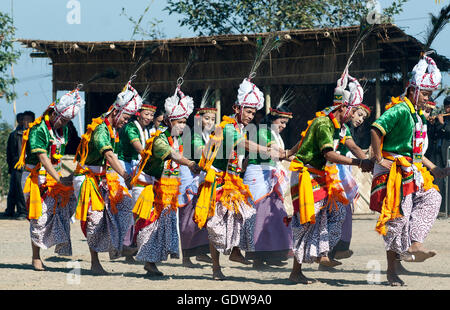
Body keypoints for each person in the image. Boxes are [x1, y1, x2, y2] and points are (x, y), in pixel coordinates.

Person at [284, 69, 372, 284]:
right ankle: (296, 270)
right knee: (307, 221)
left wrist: (371, 160)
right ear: (343, 107)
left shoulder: (341, 127)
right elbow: (329, 153)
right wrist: (359, 162)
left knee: (337, 212)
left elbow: (354, 147)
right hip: (306, 175)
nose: (354, 116)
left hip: (324, 176)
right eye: (353, 111)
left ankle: (323, 254)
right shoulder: (324, 123)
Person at [192, 77, 285, 280]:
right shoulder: (228, 127)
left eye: (253, 112)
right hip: (216, 180)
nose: (251, 116)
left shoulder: (239, 127)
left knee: (244, 215)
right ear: (237, 108)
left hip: (233, 180)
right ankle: (216, 267)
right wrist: (268, 150)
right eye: (248, 111)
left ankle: (234, 251)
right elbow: (244, 145)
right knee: (215, 223)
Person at [369, 53, 448, 286]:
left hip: (409, 170)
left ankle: (414, 243)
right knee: (397, 218)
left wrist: (435, 169)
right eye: (425, 94)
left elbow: (416, 153)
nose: (427, 98)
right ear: (412, 90)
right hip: (392, 171)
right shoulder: (401, 109)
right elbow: (376, 128)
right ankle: (392, 272)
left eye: (429, 95)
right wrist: (377, 157)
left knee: (433, 197)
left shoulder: (416, 115)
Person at [130, 81, 200, 277]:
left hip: (167, 190)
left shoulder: (178, 140)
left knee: (162, 227)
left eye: (185, 122)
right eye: (179, 122)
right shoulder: (160, 139)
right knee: (150, 226)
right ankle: (146, 261)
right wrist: (191, 164)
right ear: (169, 121)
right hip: (149, 189)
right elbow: (174, 157)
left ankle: (151, 263)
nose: (183, 126)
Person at [73, 79, 141, 275]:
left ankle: (118, 245)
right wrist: (125, 175)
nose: (126, 122)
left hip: (103, 177)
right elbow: (109, 155)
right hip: (86, 178)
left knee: (126, 204)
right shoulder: (101, 129)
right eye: (125, 118)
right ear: (115, 112)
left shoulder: (113, 130)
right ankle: (95, 262)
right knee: (95, 219)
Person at [14, 90, 84, 271]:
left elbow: (66, 150)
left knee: (62, 211)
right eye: (64, 120)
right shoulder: (39, 129)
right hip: (35, 178)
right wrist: (59, 178)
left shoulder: (65, 129)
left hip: (54, 177)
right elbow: (43, 157)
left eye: (68, 121)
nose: (66, 124)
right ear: (54, 114)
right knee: (38, 217)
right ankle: (35, 257)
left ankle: (57, 243)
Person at [242, 98, 294, 270]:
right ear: (272, 119)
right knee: (261, 215)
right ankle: (258, 257)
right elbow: (277, 152)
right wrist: (297, 151)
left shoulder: (276, 135)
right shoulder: (263, 132)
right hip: (259, 175)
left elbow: (282, 154)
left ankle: (274, 254)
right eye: (282, 122)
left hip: (270, 175)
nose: (284, 126)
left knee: (277, 213)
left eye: (286, 123)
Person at [326, 103, 372, 264]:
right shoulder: (331, 125)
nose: (360, 119)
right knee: (334, 210)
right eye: (358, 114)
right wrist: (366, 162)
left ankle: (335, 250)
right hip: (329, 172)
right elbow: (353, 148)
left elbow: (354, 147)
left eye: (363, 118)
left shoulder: (344, 129)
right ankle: (330, 251)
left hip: (341, 173)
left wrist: (368, 162)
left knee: (341, 210)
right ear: (348, 110)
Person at [178, 91, 215, 268]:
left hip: (199, 177)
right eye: (207, 118)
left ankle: (200, 252)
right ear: (199, 119)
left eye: (213, 119)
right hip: (188, 179)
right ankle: (186, 257)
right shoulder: (194, 136)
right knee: (187, 217)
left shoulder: (207, 136)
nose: (210, 122)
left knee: (202, 214)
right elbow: (203, 154)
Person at [4, 112, 33, 219]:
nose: (24, 122)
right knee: (14, 189)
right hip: (17, 165)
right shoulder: (15, 134)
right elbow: (10, 152)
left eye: (27, 119)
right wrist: (11, 166)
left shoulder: (34, 133)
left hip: (29, 165)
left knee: (22, 190)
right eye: (23, 120)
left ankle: (23, 211)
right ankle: (11, 210)